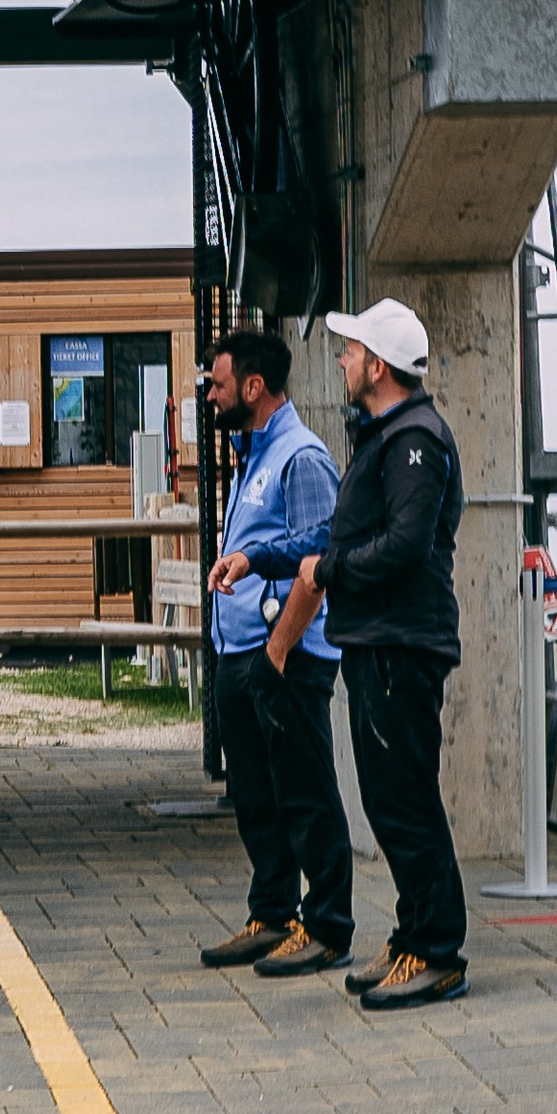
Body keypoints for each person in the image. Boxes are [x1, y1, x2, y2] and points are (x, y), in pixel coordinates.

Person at [293, 295, 468, 1013]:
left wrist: (329, 572)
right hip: (378, 642)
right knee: (389, 799)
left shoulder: (414, 439)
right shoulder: (387, 434)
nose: (341, 359)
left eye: (352, 350)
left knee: (405, 800)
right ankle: (411, 936)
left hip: (402, 644)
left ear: (378, 366)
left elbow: (404, 545)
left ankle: (438, 952)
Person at [196, 329, 354, 980]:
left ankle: (328, 926)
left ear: (254, 386)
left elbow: (320, 557)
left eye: (219, 384)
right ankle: (272, 915)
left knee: (305, 793)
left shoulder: (301, 457)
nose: (210, 394)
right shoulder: (251, 454)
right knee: (257, 797)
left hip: (287, 656)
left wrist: (279, 650)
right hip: (240, 652)